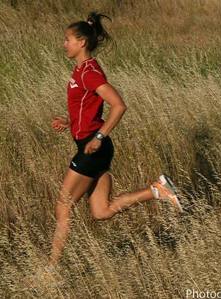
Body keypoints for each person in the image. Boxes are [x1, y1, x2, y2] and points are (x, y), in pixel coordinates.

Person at [48, 11, 183, 269]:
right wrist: (69, 122)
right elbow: (87, 107)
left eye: (67, 40)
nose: (64, 44)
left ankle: (50, 272)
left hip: (93, 148)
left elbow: (119, 105)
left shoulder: (89, 73)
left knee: (63, 208)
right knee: (101, 211)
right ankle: (157, 191)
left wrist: (99, 136)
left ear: (81, 43)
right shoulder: (81, 71)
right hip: (92, 145)